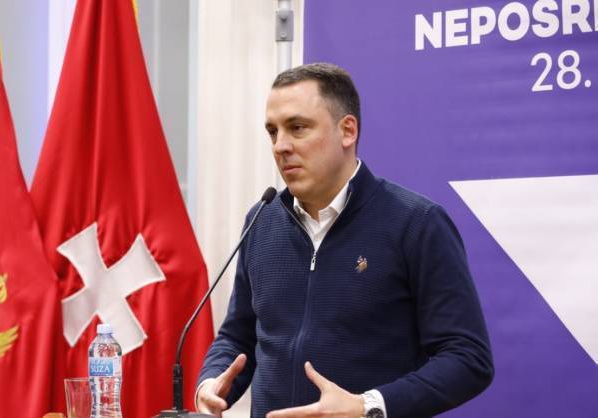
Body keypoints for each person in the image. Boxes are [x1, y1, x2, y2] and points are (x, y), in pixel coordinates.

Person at [195, 63, 494, 418]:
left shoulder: (417, 222)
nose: (281, 146)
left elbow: (467, 358)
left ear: (347, 131)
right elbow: (238, 336)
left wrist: (368, 407)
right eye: (272, 132)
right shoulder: (261, 221)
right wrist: (210, 383)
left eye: (297, 128)